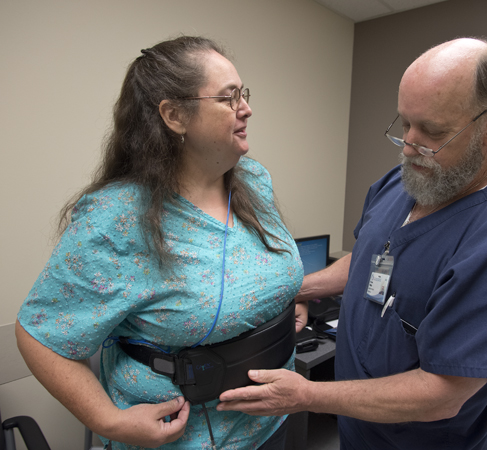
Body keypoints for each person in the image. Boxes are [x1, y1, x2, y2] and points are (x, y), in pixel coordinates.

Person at [217, 37, 487, 449]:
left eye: (432, 131)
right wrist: (295, 290)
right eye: (404, 123)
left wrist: (306, 394)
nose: (409, 145)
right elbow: (367, 258)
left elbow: (443, 394)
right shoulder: (406, 180)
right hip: (358, 433)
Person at [16, 36, 305, 450]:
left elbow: (258, 270)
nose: (247, 108)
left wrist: (281, 300)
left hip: (270, 424)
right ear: (174, 116)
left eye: (244, 93)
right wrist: (109, 422)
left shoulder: (253, 180)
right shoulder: (116, 218)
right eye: (229, 98)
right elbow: (40, 336)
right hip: (188, 439)